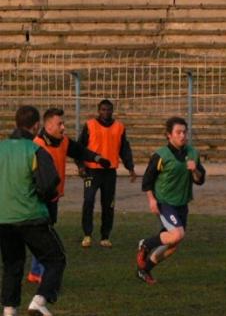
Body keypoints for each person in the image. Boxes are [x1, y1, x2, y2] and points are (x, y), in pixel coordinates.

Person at [27, 108, 109, 284]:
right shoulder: (36, 145)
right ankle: (40, 272)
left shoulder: (62, 141)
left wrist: (97, 158)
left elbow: (79, 151)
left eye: (63, 124)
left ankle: (35, 271)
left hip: (53, 196)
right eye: (60, 124)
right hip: (39, 198)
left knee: (44, 232)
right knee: (44, 234)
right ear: (48, 126)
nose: (63, 127)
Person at [0, 106, 64, 316]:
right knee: (56, 259)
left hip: (3, 218)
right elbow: (48, 183)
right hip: (31, 217)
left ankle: (9, 313)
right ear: (36, 126)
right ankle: (40, 300)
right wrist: (44, 197)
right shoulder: (36, 150)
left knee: (12, 264)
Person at [135, 117, 205, 285]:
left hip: (182, 203)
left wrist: (195, 170)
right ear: (169, 135)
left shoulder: (192, 153)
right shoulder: (161, 155)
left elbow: (200, 180)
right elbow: (147, 180)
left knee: (173, 244)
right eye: (178, 132)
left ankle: (144, 270)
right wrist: (152, 200)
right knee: (177, 235)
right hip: (164, 202)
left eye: (184, 132)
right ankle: (145, 244)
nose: (182, 136)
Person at [78, 99, 136, 248]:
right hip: (91, 170)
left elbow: (124, 149)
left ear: (112, 110)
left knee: (108, 204)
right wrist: (81, 166)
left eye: (108, 110)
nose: (106, 112)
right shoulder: (90, 125)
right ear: (98, 111)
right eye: (103, 109)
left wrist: (130, 167)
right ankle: (87, 234)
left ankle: (105, 236)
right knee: (88, 201)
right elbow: (80, 147)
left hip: (110, 173)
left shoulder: (119, 127)